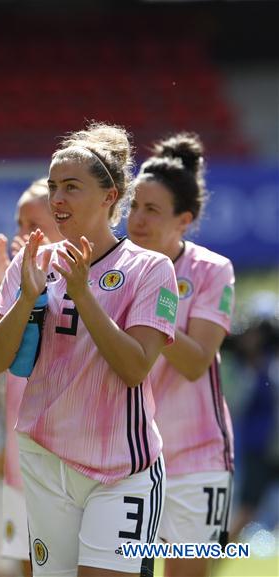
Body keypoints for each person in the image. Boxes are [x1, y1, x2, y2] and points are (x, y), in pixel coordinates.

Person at [0, 123, 179, 577]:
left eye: (71, 187)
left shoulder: (150, 269)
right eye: (53, 187)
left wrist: (83, 293)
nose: (57, 199)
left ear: (111, 195)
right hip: (45, 459)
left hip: (123, 469)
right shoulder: (29, 265)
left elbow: (133, 368)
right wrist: (26, 298)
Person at [127, 134, 235, 577]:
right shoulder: (113, 269)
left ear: (184, 220)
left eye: (152, 210)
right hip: (128, 457)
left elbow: (195, 362)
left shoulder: (213, 270)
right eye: (134, 206)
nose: (136, 219)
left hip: (197, 457)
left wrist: (156, 298)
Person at [0, 178, 64, 577]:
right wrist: (5, 283)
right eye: (18, 223)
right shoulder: (13, 278)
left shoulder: (76, 281)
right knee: (27, 564)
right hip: (21, 454)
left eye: (31, 222)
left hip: (66, 452)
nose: (21, 234)